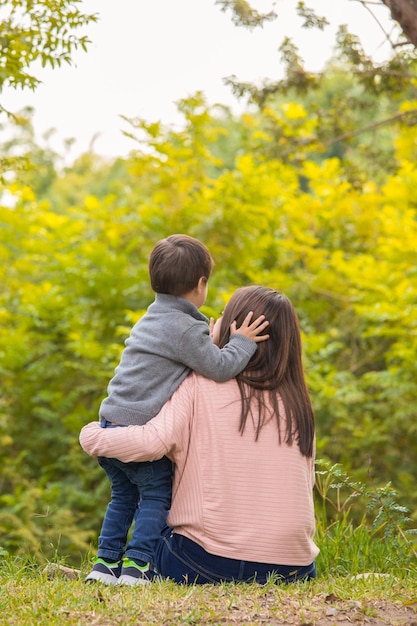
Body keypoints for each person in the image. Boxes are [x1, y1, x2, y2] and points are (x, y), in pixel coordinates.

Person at [80, 285, 319, 585]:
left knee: (153, 511)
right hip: (293, 569)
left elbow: (150, 443)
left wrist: (92, 435)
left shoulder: (198, 385)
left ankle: (116, 568)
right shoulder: (299, 404)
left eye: (221, 316)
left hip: (203, 563)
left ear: (234, 330)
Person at [85, 235, 269, 586]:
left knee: (123, 497)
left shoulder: (151, 319)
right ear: (201, 284)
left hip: (111, 423)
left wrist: (207, 340)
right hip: (138, 431)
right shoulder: (186, 327)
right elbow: (218, 367)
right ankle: (138, 565)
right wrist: (241, 341)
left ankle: (105, 564)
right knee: (155, 494)